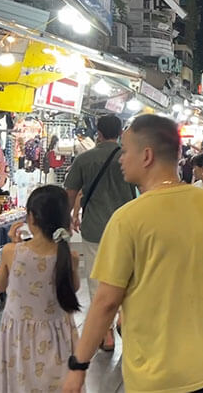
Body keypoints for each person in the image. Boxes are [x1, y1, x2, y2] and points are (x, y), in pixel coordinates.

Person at [62, 115, 203, 393]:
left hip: (155, 377)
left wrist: (78, 366)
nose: (120, 159)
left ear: (147, 155)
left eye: (126, 151)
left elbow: (105, 302)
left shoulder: (127, 219)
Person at [0, 186, 79, 392]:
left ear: (31, 218)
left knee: (20, 382)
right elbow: (73, 287)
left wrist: (13, 245)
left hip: (18, 338)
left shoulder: (11, 252)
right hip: (58, 335)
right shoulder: (69, 256)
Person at [63, 114, 134, 352]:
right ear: (121, 131)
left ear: (98, 132)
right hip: (127, 228)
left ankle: (107, 335)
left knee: (97, 279)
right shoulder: (129, 157)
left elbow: (70, 193)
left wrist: (67, 221)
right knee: (127, 276)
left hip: (94, 228)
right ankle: (125, 317)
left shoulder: (85, 159)